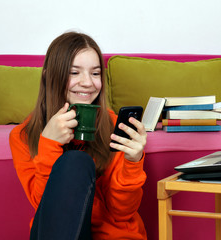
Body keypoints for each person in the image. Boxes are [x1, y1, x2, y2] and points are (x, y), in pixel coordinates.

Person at [9, 31, 147, 240]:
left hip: (112, 235)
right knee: (74, 162)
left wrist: (132, 162)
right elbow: (46, 210)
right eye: (74, 73)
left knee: (77, 161)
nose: (87, 83)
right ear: (49, 76)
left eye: (95, 73)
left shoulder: (115, 127)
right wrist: (49, 144)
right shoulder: (23, 135)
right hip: (54, 233)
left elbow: (122, 213)